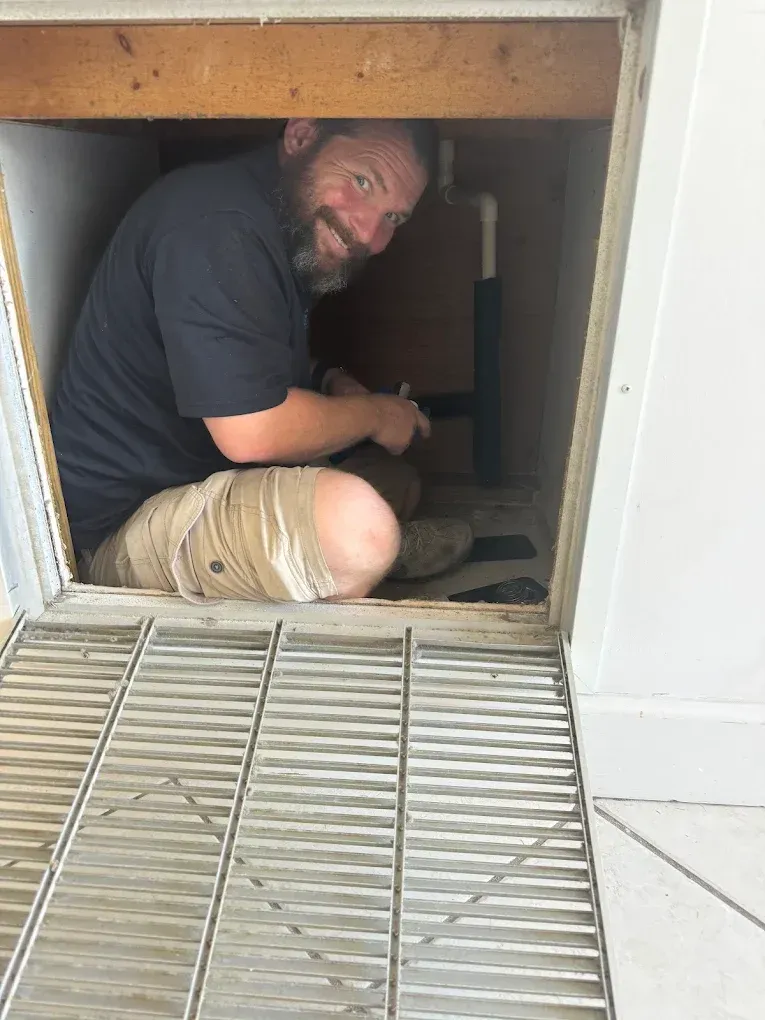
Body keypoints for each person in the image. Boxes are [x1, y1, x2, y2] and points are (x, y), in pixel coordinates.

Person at [51, 117, 474, 603]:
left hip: (199, 475)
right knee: (357, 528)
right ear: (301, 137)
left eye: (393, 217)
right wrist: (377, 415)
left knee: (396, 485)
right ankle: (353, 562)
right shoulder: (217, 225)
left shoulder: (279, 220)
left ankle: (342, 565)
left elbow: (240, 348)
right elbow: (251, 430)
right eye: (362, 182)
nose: (367, 231)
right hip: (119, 525)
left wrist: (325, 376)